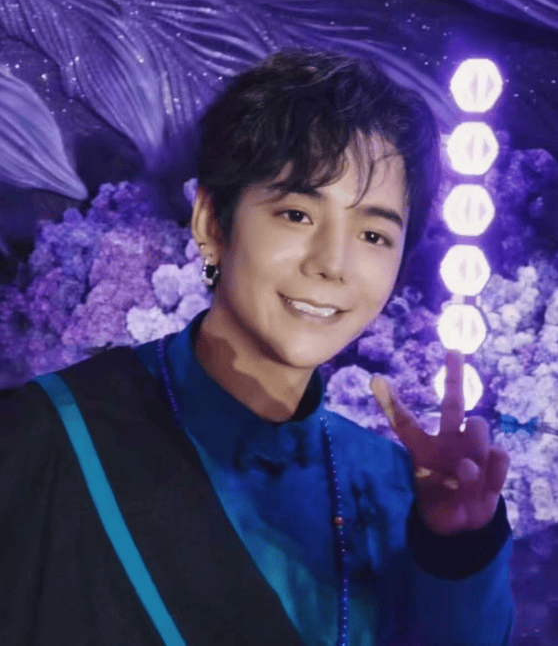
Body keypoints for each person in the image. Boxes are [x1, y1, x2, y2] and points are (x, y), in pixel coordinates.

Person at [0, 47, 514, 645]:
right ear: (211, 224)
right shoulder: (49, 439)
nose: (332, 263)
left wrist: (457, 551)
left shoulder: (395, 489)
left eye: (374, 234)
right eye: (296, 214)